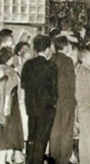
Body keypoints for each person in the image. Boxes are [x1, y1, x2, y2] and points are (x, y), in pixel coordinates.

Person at [21, 35, 58, 164]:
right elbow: (54, 90)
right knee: (41, 141)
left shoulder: (27, 64)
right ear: (47, 49)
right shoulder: (50, 66)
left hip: (31, 107)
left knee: (32, 138)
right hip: (46, 109)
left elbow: (23, 85)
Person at [50, 36, 76, 164]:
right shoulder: (68, 61)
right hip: (66, 100)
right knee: (66, 130)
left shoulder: (51, 59)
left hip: (53, 101)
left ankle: (54, 157)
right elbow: (72, 83)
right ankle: (64, 159)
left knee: (54, 130)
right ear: (65, 46)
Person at [0, 48, 24, 164]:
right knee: (9, 132)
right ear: (9, 58)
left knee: (4, 132)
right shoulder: (10, 71)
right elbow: (10, 88)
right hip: (10, 103)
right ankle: (4, 160)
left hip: (2, 102)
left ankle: (5, 158)